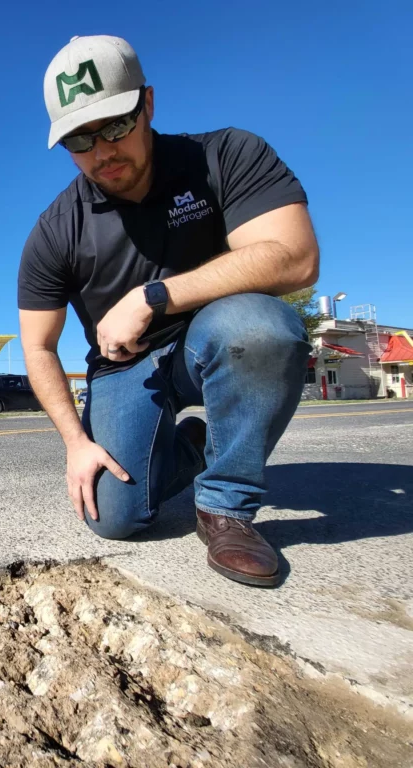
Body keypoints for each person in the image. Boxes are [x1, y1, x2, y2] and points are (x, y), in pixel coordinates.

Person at [17, 35, 318, 587]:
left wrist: (153, 297)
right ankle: (196, 446)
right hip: (126, 368)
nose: (102, 151)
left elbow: (295, 258)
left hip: (213, 335)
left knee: (263, 329)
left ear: (147, 104)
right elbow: (38, 346)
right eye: (81, 139)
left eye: (114, 125)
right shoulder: (56, 229)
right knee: (114, 514)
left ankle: (226, 506)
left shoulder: (223, 156)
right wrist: (75, 444)